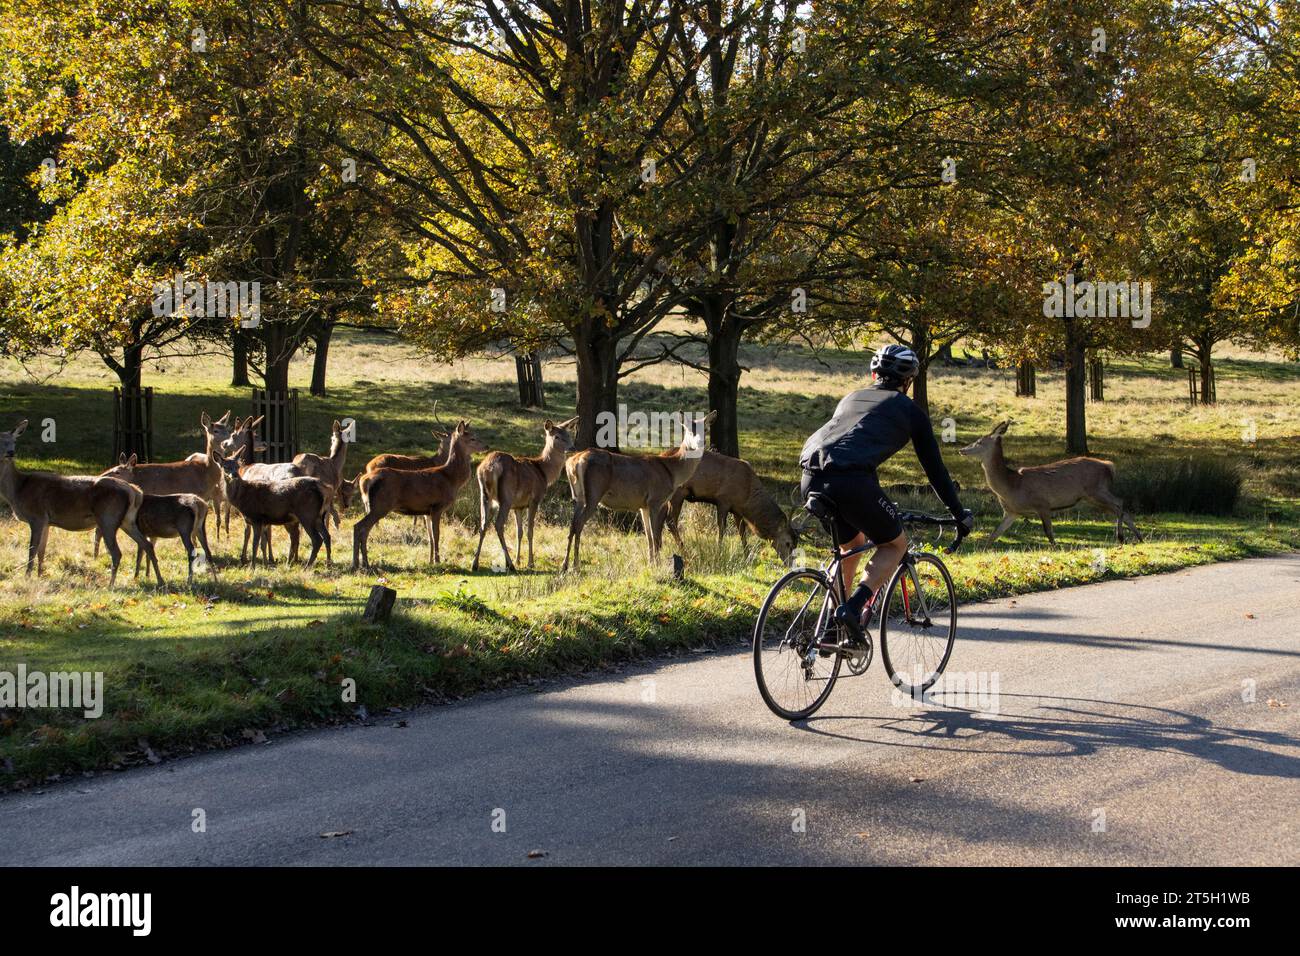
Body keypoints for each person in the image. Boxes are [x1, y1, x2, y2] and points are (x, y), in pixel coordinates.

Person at [799, 344, 974, 644]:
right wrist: (959, 514)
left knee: (850, 546)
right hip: (850, 480)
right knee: (894, 544)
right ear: (909, 381)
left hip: (810, 476)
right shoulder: (910, 412)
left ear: (873, 374)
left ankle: (830, 630)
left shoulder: (851, 398)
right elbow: (936, 471)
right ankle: (851, 610)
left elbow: (853, 445)